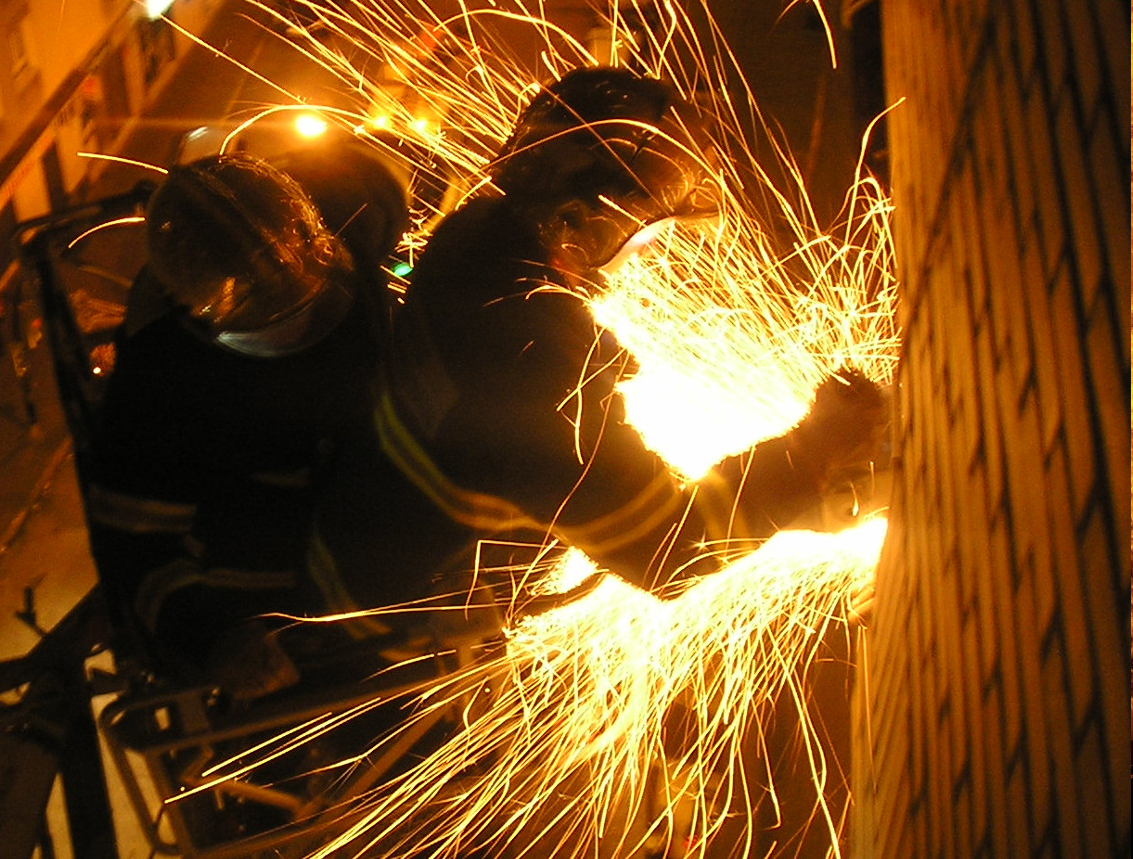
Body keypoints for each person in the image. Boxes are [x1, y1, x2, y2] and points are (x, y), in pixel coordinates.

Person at [303, 66, 890, 642]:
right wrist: (810, 446)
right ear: (583, 217)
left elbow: (509, 363)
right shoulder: (538, 371)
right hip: (379, 620)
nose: (645, 250)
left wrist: (597, 372)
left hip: (354, 520)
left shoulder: (475, 229)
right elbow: (673, 551)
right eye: (645, 230)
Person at [84, 147, 408, 698]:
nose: (295, 331)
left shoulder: (354, 242)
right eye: (261, 312)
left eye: (300, 294)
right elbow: (136, 547)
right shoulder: (164, 383)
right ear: (197, 304)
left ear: (309, 237)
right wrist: (217, 637)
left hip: (385, 551)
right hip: (280, 610)